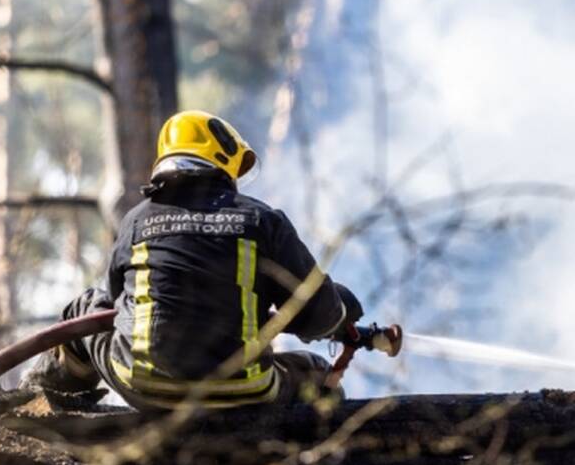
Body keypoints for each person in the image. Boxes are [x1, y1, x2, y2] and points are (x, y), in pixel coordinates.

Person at [23, 109, 363, 408]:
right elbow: (318, 316)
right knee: (317, 374)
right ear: (221, 159)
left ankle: (36, 403)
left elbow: (114, 307)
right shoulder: (262, 220)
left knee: (82, 311)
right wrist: (339, 308)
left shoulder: (136, 221)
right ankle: (307, 461)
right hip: (244, 391)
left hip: (143, 384)